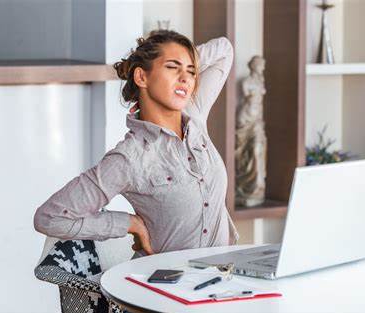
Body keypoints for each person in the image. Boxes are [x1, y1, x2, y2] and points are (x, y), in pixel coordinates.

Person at [34, 30, 239, 257]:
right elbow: (50, 217)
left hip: (223, 279)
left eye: (192, 71)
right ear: (141, 77)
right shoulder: (129, 158)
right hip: (168, 287)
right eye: (172, 67)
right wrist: (130, 223)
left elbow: (224, 49)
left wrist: (185, 61)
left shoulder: (195, 115)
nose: (186, 78)